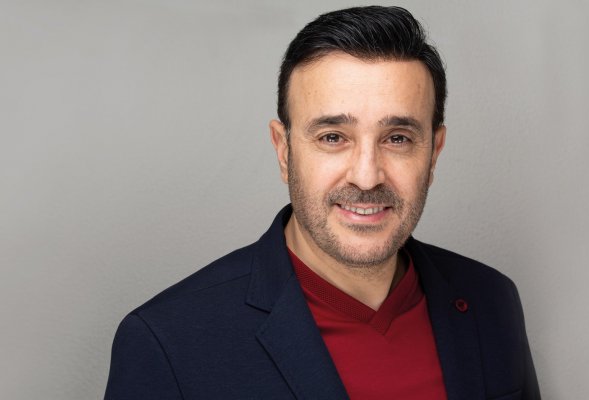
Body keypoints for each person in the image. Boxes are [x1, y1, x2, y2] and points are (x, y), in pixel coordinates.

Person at [104, 6, 540, 400]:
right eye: (333, 137)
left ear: (433, 153)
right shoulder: (167, 342)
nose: (366, 176)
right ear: (284, 151)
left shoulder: (491, 300)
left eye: (397, 138)